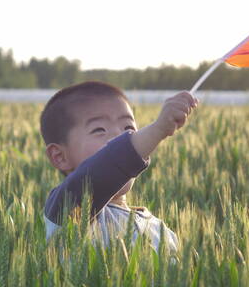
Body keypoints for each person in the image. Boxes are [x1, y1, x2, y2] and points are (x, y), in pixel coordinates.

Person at [40, 81, 198, 253]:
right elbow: (104, 169)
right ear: (60, 156)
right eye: (99, 129)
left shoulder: (162, 230)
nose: (119, 136)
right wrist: (158, 129)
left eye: (129, 128)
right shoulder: (66, 210)